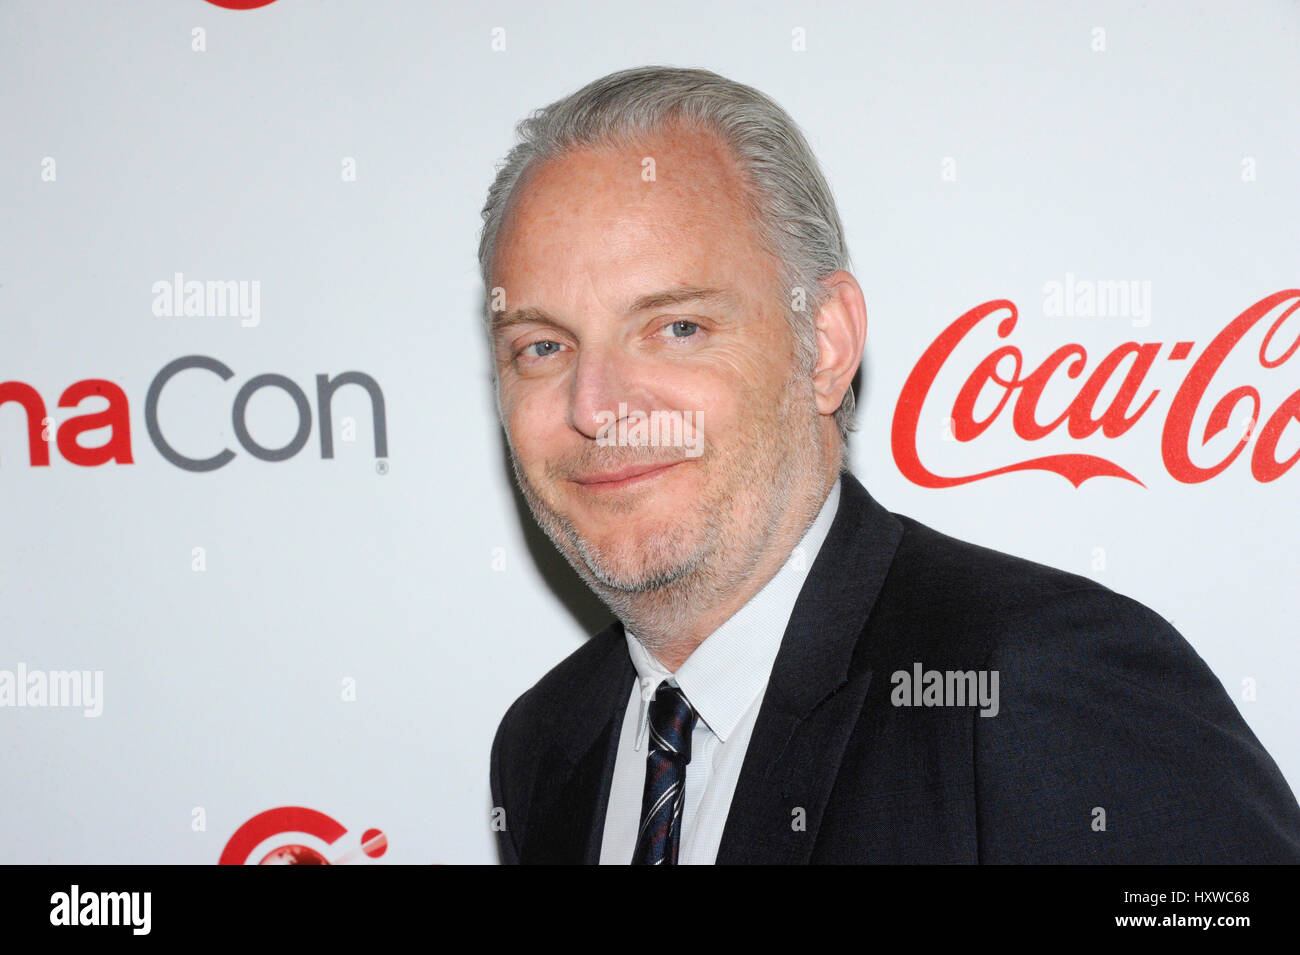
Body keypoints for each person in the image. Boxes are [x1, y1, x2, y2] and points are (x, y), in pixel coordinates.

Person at [480, 66, 1300, 864]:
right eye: (542, 347)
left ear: (825, 344)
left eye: (678, 327)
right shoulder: (546, 742)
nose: (596, 406)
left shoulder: (1028, 684)